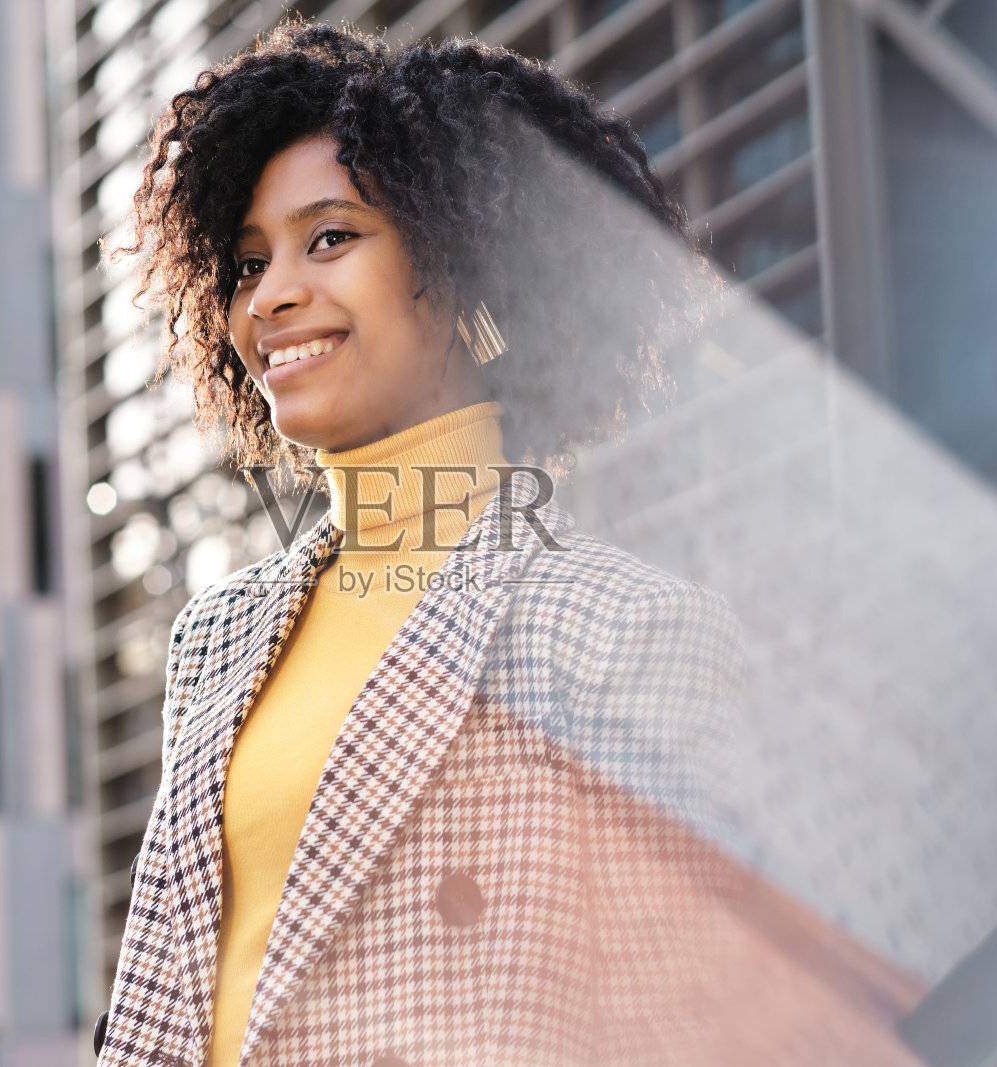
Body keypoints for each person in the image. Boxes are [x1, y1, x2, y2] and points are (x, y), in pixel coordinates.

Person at [92, 19, 881, 1067]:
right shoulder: (216, 637)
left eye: (330, 237)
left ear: (465, 264)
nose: (271, 295)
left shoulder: (620, 630)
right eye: (247, 260)